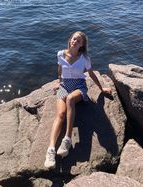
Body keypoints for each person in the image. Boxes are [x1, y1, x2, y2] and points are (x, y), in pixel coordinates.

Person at [44, 31, 111, 169]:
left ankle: (67, 139)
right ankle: (50, 150)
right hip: (65, 85)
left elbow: (91, 73)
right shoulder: (60, 54)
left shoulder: (84, 58)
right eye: (74, 39)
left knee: (70, 99)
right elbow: (59, 68)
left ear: (82, 45)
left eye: (79, 41)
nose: (75, 41)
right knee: (60, 115)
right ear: (70, 40)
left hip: (79, 86)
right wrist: (59, 81)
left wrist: (101, 88)